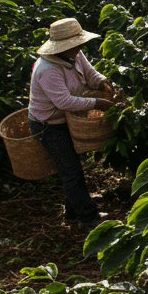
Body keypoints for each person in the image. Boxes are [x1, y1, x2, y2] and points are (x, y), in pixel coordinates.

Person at [28, 18, 119, 228]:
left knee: (70, 168)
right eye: (75, 44)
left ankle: (72, 211)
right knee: (71, 170)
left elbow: (89, 73)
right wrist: (99, 103)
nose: (79, 48)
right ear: (62, 46)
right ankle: (88, 218)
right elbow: (64, 101)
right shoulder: (46, 69)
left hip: (64, 119)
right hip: (48, 124)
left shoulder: (74, 55)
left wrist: (103, 82)